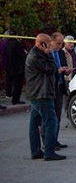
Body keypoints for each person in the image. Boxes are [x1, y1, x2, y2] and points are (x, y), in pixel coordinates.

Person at [26, 33, 66, 161]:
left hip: (36, 93)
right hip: (42, 93)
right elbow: (51, 69)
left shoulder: (35, 54)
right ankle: (49, 151)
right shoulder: (37, 56)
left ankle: (36, 150)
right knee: (51, 121)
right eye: (48, 45)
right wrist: (49, 54)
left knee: (34, 123)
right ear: (42, 44)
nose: (50, 47)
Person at [49, 32, 72, 150]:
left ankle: (54, 139)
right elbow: (45, 70)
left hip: (59, 86)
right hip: (49, 88)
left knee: (57, 116)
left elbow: (62, 66)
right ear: (51, 42)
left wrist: (66, 71)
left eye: (61, 43)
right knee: (49, 118)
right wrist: (57, 71)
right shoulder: (47, 53)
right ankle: (47, 143)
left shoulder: (61, 53)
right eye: (58, 43)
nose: (60, 45)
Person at [5, 33, 27, 105]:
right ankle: (15, 99)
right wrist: (25, 53)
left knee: (9, 81)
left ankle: (9, 94)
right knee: (18, 84)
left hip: (9, 65)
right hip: (18, 67)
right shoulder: (16, 44)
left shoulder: (7, 43)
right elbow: (21, 55)